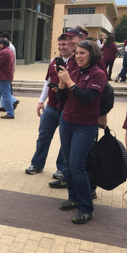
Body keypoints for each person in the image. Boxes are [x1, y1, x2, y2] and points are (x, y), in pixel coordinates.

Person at [56, 40, 106, 224]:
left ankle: (86, 208)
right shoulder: (74, 72)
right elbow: (62, 98)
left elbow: (86, 99)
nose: (78, 56)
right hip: (67, 122)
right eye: (76, 53)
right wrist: (62, 82)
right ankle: (73, 197)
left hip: (85, 126)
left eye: (82, 53)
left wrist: (68, 81)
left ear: (92, 55)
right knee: (68, 164)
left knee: (77, 165)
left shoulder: (98, 75)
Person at [25, 36, 77, 176]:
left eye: (64, 44)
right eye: (59, 44)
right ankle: (37, 164)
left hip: (66, 108)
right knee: (43, 136)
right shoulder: (54, 61)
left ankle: (62, 169)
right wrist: (41, 101)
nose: (61, 47)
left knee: (65, 141)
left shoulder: (76, 63)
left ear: (71, 45)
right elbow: (47, 81)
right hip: (51, 106)